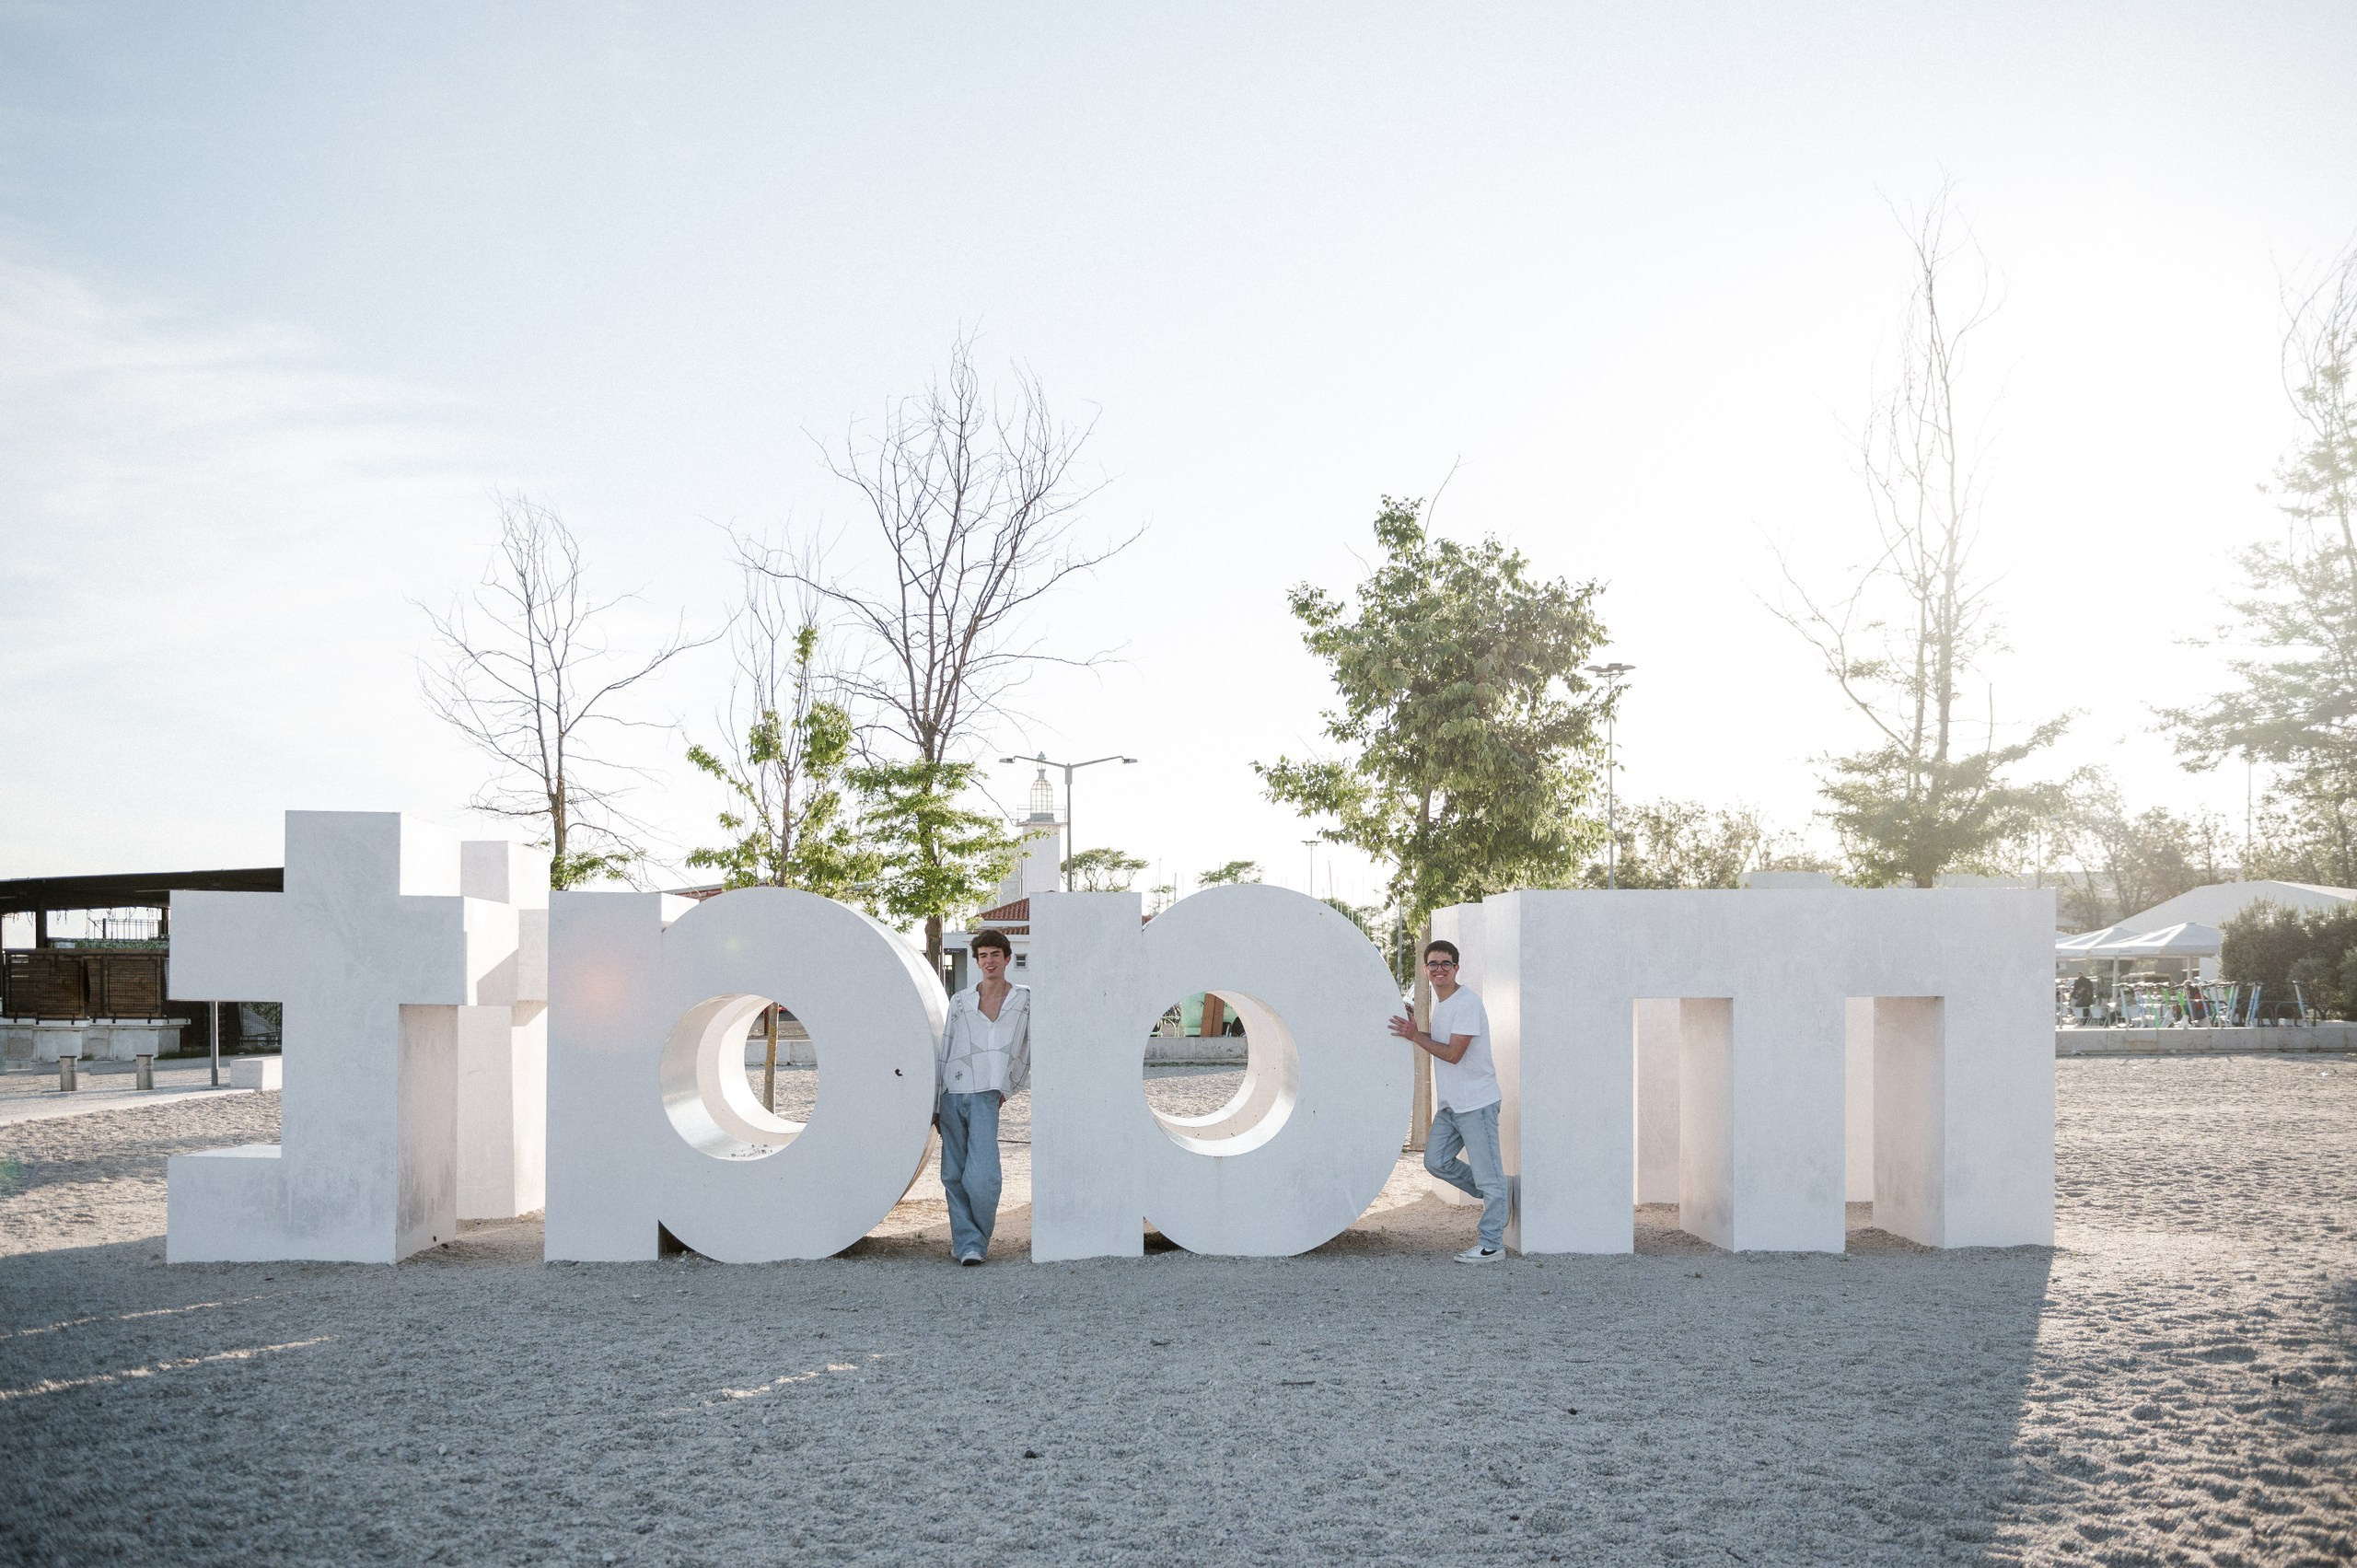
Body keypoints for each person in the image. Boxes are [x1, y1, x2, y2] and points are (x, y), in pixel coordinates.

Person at [1388, 938, 1508, 1263]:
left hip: (1476, 1104)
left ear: (1456, 968)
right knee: (1435, 1161)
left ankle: (1491, 1244)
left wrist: (1415, 1036)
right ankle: (1499, 1191)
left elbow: (1454, 1054)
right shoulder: (1444, 1005)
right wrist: (1416, 1029)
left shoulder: (1467, 1002)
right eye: (1433, 964)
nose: (1439, 969)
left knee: (1488, 1177)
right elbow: (1440, 1041)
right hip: (1453, 1106)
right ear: (1426, 970)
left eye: (1445, 964)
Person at [935, 928, 1030, 1265]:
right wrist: (936, 1101)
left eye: (995, 955)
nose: (989, 961)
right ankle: (968, 1244)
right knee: (952, 1173)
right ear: (977, 961)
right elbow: (946, 1047)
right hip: (952, 1092)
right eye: (983, 955)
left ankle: (976, 1238)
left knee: (984, 1176)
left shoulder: (1024, 1000)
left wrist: (1008, 1087)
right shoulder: (960, 1001)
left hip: (987, 1096)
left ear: (1007, 959)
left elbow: (1029, 1050)